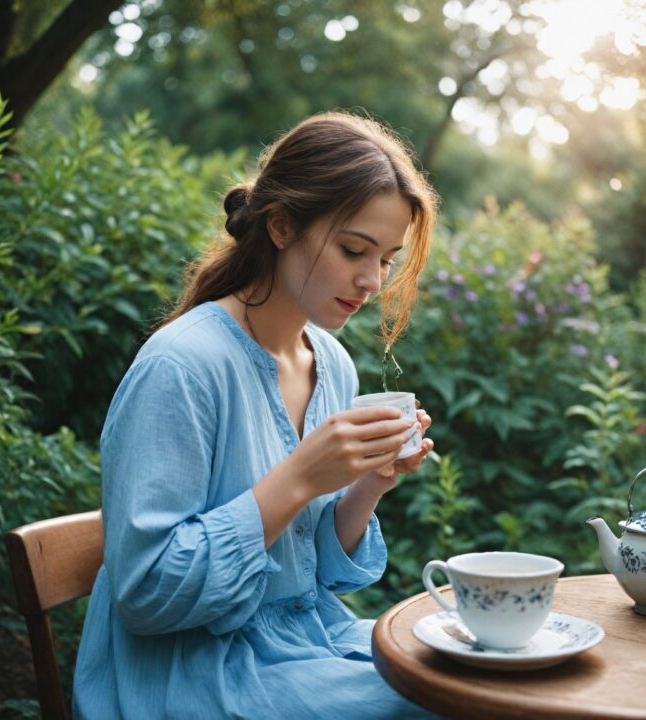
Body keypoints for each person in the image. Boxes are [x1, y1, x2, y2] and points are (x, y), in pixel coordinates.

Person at [72, 111, 442, 719]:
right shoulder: (183, 366)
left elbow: (313, 572)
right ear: (279, 225)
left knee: (469, 677)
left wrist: (369, 482)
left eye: (386, 259)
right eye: (355, 250)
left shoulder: (330, 361)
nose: (372, 280)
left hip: (303, 642)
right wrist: (299, 476)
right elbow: (146, 595)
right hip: (190, 668)